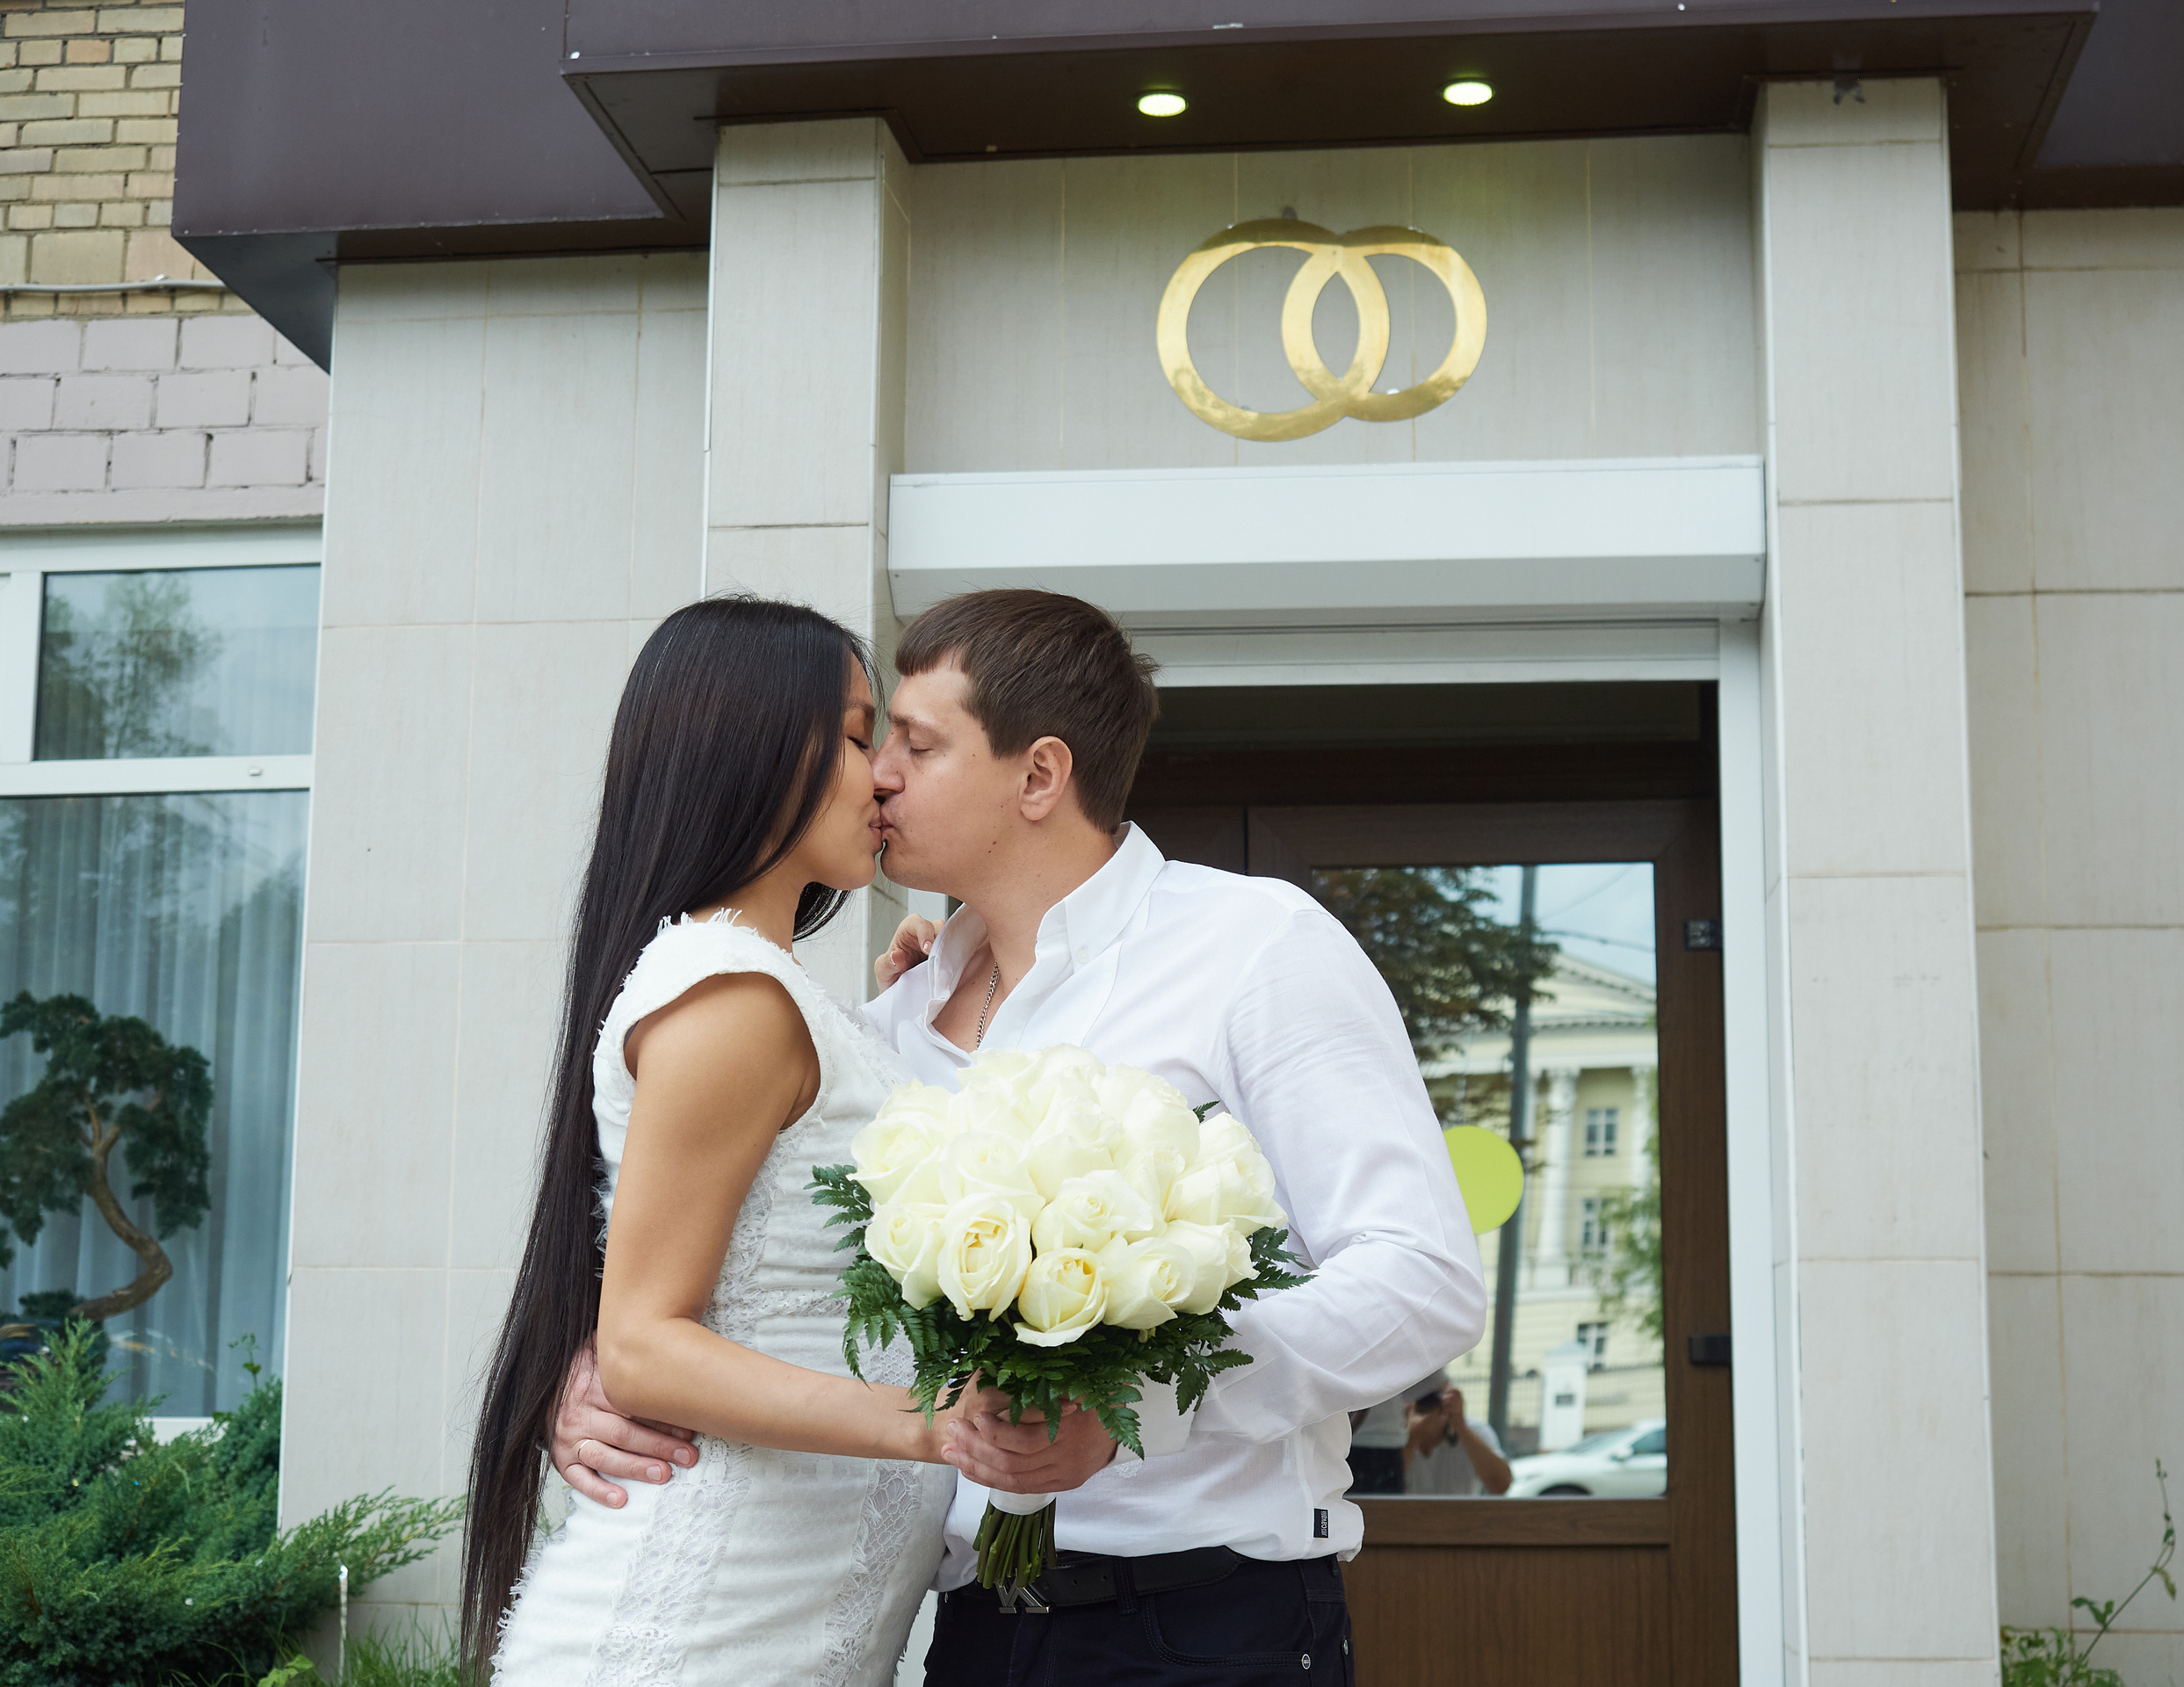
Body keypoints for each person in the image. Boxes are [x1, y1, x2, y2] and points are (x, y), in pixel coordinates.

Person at [552, 588, 1487, 1686]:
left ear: (1039, 775)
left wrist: (1139, 1407)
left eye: (915, 744)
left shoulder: (1254, 947)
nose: (879, 775)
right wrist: (599, 1378)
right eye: (874, 741)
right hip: (968, 1630)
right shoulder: (884, 1028)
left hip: (1202, 1618)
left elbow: (1421, 1281)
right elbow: (757, 1262)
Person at [460, 597, 1106, 1687]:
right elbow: (643, 1347)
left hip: (783, 1629)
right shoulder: (734, 999)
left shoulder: (784, 1000)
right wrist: (931, 1424)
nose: (883, 776)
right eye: (857, 737)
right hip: (704, 1635)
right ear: (750, 750)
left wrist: (927, 998)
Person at [1399, 1375, 1514, 1497]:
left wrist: (1461, 1427)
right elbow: (1388, 1487)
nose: (1426, 1404)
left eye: (1432, 1398)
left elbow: (1501, 1486)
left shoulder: (1476, 1431)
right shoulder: (1395, 1437)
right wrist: (1411, 1439)